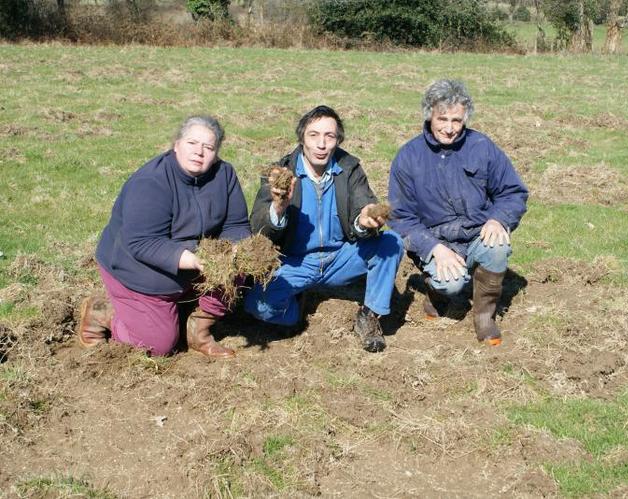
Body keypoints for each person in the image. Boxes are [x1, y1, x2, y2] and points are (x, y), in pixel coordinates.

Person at [77, 115, 252, 358]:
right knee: (158, 345)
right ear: (176, 144)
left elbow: (236, 224)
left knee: (241, 265)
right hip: (140, 271)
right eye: (192, 143)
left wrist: (233, 249)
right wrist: (193, 260)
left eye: (208, 147)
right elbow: (142, 242)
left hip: (193, 263)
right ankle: (103, 311)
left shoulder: (224, 175)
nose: (199, 152)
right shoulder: (151, 182)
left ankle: (197, 331)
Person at [243, 105, 403, 353]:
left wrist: (364, 221)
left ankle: (369, 316)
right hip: (296, 263)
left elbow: (363, 205)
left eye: (330, 136)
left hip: (340, 257)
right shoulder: (280, 173)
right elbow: (259, 229)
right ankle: (296, 306)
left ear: (337, 140)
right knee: (258, 304)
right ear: (302, 139)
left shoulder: (349, 168)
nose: (322, 144)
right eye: (314, 135)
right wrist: (278, 208)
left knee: (390, 242)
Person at [388, 80, 528, 346]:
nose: (450, 128)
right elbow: (400, 217)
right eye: (442, 119)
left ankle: (485, 317)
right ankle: (435, 292)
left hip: (476, 233)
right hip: (436, 240)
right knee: (450, 284)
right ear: (429, 114)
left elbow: (513, 192)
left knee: (498, 246)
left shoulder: (482, 147)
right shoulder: (408, 156)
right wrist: (433, 248)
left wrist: (499, 218)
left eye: (457, 120)